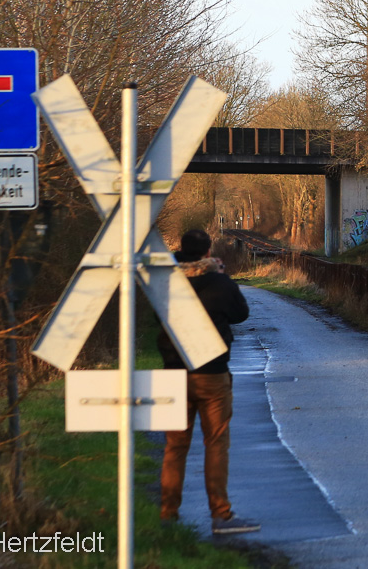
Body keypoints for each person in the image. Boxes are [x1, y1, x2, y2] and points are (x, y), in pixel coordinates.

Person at [159, 228, 259, 534]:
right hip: (212, 373)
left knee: (175, 446)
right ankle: (221, 514)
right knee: (215, 443)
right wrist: (219, 275)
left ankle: (167, 516)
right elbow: (241, 314)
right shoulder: (218, 280)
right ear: (206, 252)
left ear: (180, 249)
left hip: (174, 371)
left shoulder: (165, 282)